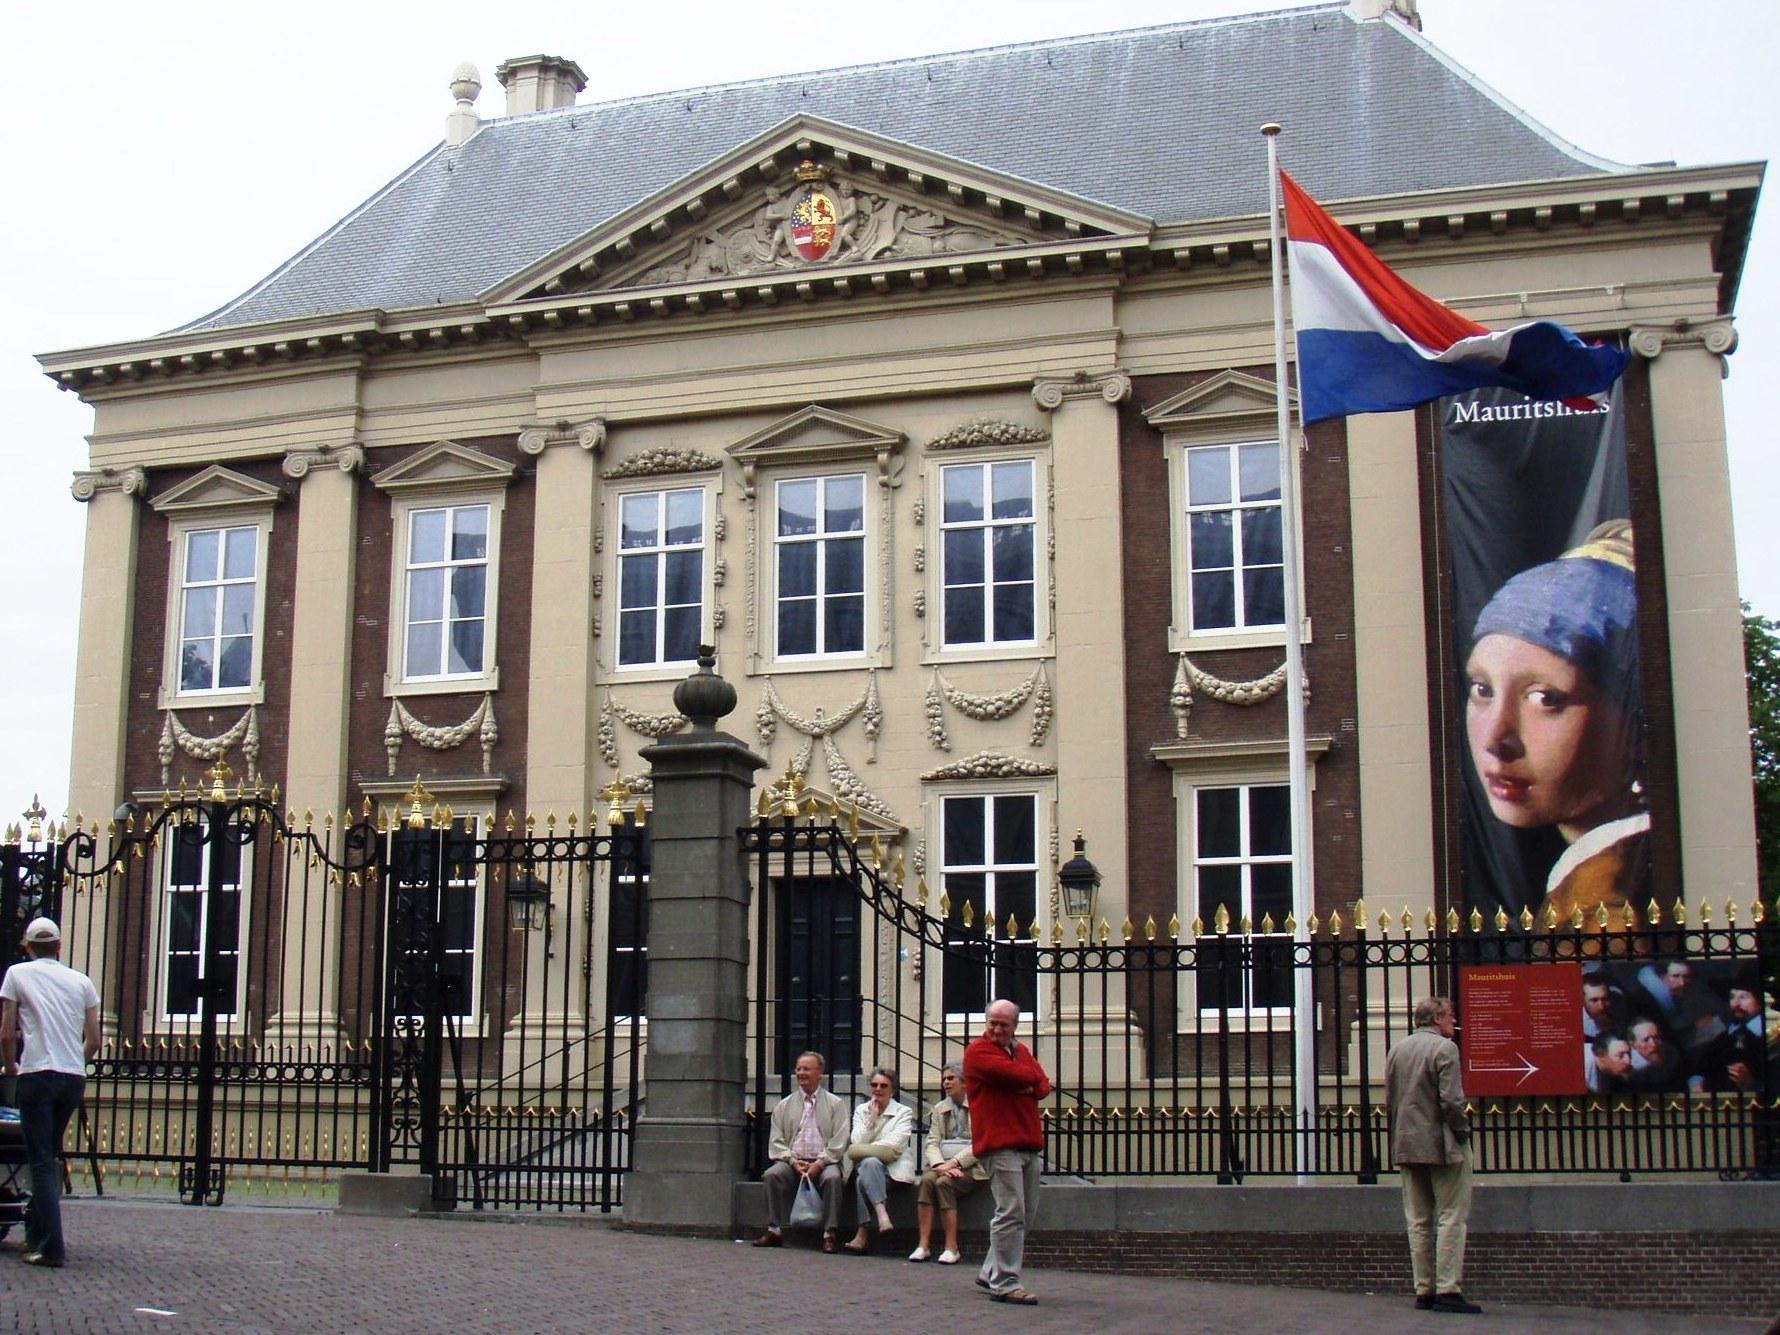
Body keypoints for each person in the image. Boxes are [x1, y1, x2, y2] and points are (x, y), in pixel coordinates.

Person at [1464, 521, 1649, 926]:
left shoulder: (1606, 907)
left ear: (1635, 724)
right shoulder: (1580, 883)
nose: (1496, 738)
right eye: (1483, 689)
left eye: (1545, 699)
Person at [0, 917, 100, 1269]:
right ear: (59, 946)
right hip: (72, 1078)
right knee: (50, 1154)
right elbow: (94, 1040)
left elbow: (7, 1033)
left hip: (37, 1073)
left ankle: (51, 1247)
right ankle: (36, 1234)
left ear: (27, 946)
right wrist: (74, 1060)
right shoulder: (82, 981)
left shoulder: (17, 974)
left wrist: (11, 1067)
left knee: (39, 1160)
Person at [1384, 996, 1479, 1315]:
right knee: (1451, 1215)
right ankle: (1448, 1288)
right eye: (1450, 1015)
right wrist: (1463, 1131)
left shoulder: (1397, 1050)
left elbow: (1392, 1099)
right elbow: (1451, 1101)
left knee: (1418, 1219)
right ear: (1437, 1018)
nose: (1454, 1020)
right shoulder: (1445, 1049)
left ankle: (1423, 1289)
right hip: (1442, 1145)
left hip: (1407, 1143)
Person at [964, 999, 1051, 1306]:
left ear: (1015, 1026)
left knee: (1025, 1214)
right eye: (993, 1023)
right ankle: (1005, 1283)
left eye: (1004, 1024)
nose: (997, 1030)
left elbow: (1042, 1086)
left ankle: (991, 1271)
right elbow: (1025, 1078)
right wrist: (1025, 1080)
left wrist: (1025, 1080)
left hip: (1027, 1142)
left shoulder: (1020, 1051)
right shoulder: (977, 1052)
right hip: (999, 1144)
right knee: (1010, 1212)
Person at [755, 1050, 849, 1252]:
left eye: (806, 1069)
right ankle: (774, 1229)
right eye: (798, 1069)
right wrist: (792, 1161)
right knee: (771, 1175)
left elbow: (840, 1141)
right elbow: (776, 1141)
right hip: (793, 1162)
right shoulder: (784, 1105)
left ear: (820, 1072)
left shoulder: (836, 1104)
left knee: (833, 1178)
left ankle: (830, 1233)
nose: (801, 1073)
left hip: (825, 1162)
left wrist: (820, 1163)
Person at [909, 1062, 988, 1264]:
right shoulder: (939, 1109)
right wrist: (939, 1166)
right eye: (944, 1079)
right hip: (943, 1165)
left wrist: (952, 1164)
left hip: (973, 1167)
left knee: (944, 1184)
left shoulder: (979, 1107)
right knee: (927, 1180)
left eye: (951, 1078)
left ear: (965, 1082)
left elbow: (980, 1145)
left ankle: (951, 1247)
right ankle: (923, 1245)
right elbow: (932, 1142)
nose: (946, 1082)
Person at [842, 1066, 915, 1254]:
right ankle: (882, 1214)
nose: (878, 1089)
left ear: (893, 1090)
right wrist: (871, 1120)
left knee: (864, 1172)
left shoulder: (904, 1112)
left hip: (894, 1170)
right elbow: (856, 1139)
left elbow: (895, 1144)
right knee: (870, 1165)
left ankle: (862, 1234)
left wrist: (863, 1150)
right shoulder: (862, 1110)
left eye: (884, 1085)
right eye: (874, 1085)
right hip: (871, 1170)